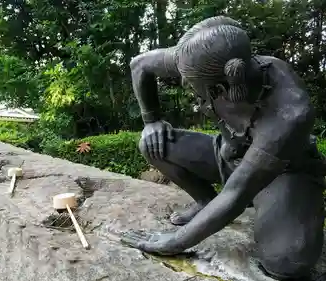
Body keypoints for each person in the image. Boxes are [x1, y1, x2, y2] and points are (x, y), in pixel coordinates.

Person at [121, 16, 326, 280]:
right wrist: (151, 121)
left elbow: (235, 196)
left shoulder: (290, 111)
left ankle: (276, 207)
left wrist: (171, 243)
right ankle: (205, 202)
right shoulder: (201, 57)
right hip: (229, 154)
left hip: (283, 174)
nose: (185, 85)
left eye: (192, 85)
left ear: (221, 86)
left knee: (287, 261)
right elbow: (139, 65)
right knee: (153, 144)